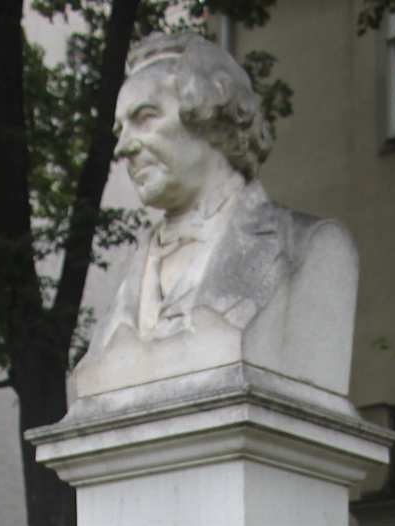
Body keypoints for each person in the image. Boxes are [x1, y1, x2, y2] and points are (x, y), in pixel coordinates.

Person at [70, 30, 358, 404]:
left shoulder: (310, 247)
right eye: (120, 130)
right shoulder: (132, 272)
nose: (124, 147)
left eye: (145, 117)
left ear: (212, 116)